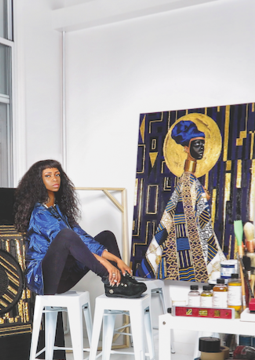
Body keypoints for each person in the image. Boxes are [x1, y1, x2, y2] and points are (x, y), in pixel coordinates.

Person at [14, 159, 146, 298]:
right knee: (67, 236)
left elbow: (84, 240)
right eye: (48, 175)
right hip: (44, 279)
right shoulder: (40, 214)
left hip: (66, 274)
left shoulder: (58, 209)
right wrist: (105, 263)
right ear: (38, 181)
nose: (54, 179)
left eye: (57, 174)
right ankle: (109, 277)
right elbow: (69, 242)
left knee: (106, 236)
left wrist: (117, 261)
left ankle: (118, 283)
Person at [141, 119, 224, 282]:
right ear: (186, 148)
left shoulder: (191, 181)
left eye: (202, 143)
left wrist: (202, 198)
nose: (201, 147)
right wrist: (202, 198)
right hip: (186, 245)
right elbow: (186, 211)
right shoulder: (187, 181)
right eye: (196, 144)